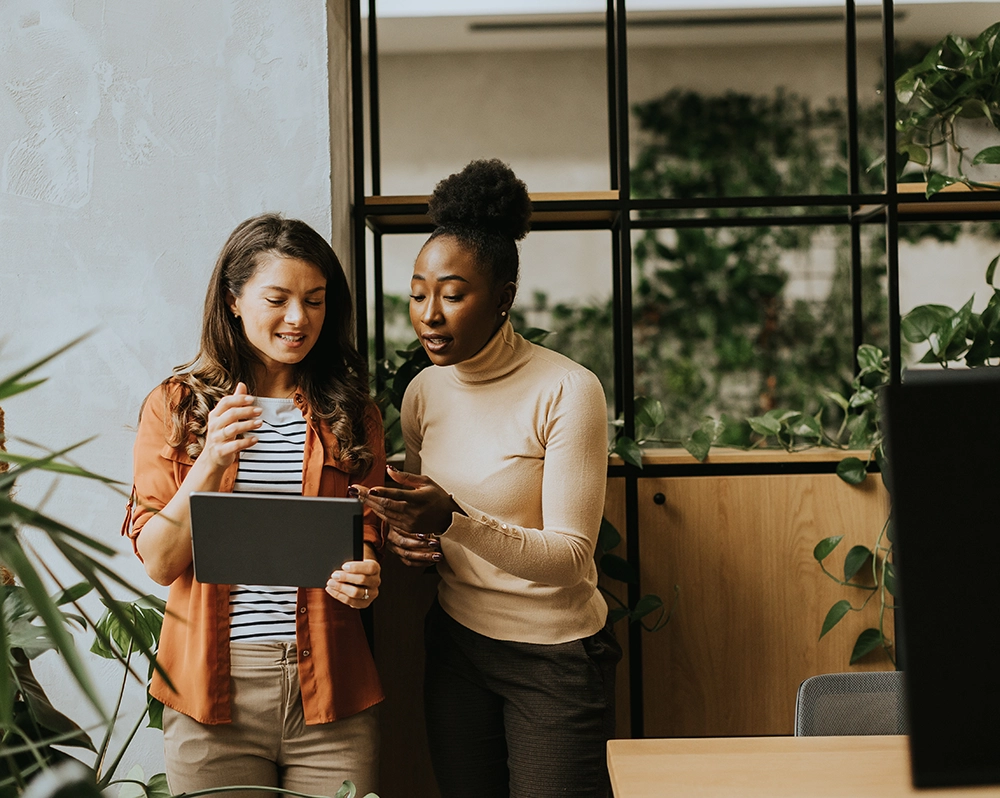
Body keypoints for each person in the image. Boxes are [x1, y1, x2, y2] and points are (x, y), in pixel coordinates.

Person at [354, 159, 621, 798]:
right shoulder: (421, 391)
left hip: (554, 657)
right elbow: (435, 527)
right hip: (457, 645)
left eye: (453, 293)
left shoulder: (567, 390)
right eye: (419, 293)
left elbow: (571, 559)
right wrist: (414, 541)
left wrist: (452, 520)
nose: (430, 314)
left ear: (503, 297)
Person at [123, 214, 385, 798]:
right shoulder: (177, 408)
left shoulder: (353, 414)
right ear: (234, 301)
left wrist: (366, 576)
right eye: (278, 298)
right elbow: (160, 562)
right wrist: (210, 460)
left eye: (315, 301)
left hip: (333, 693)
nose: (298, 319)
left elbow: (366, 536)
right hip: (212, 694)